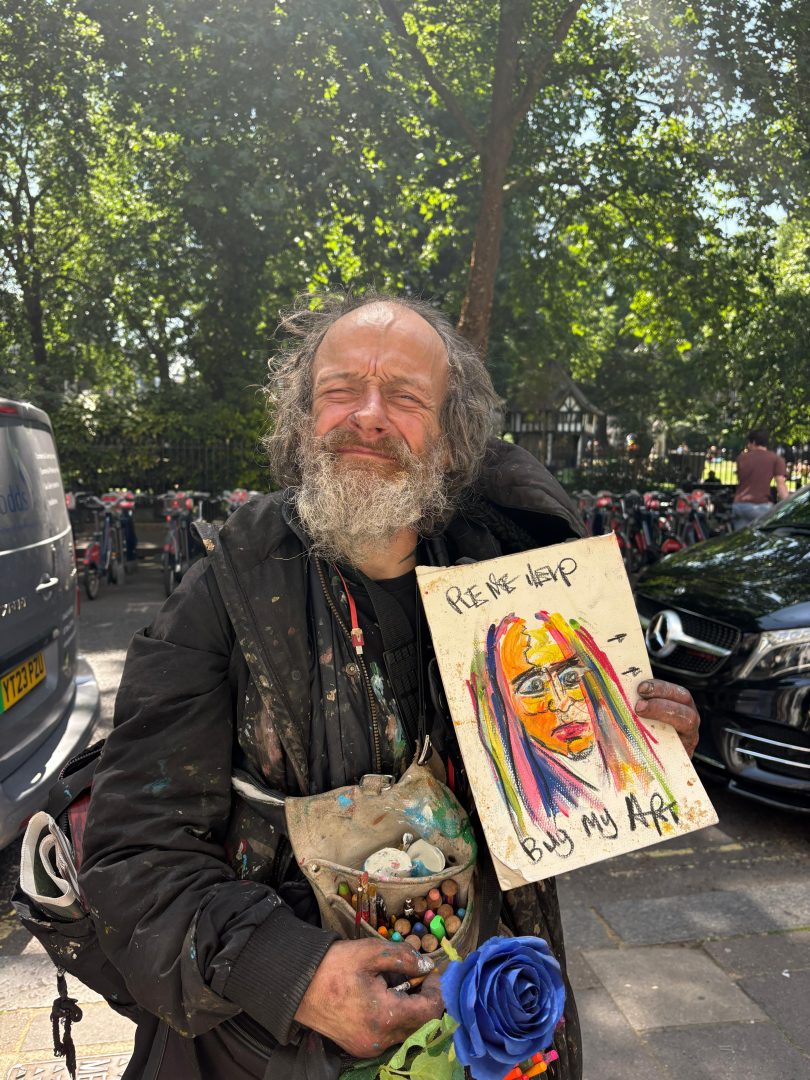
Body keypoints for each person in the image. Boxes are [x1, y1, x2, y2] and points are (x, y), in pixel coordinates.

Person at [79, 293, 702, 1080]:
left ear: (449, 437)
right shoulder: (222, 596)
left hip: (485, 1033)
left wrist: (633, 753)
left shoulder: (509, 589)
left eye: (404, 396)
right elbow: (132, 854)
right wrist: (291, 974)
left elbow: (547, 810)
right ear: (303, 419)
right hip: (263, 1054)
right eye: (341, 389)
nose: (368, 416)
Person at [470, 610, 673, 842]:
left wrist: (674, 744)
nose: (561, 704)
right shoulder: (519, 807)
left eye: (571, 677)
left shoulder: (638, 767)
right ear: (503, 702)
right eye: (534, 687)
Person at [732, 428, 788, 530]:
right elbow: (781, 485)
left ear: (753, 442)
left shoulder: (741, 458)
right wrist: (788, 506)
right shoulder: (776, 459)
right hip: (760, 506)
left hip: (739, 505)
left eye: (748, 443)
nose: (748, 446)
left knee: (741, 537)